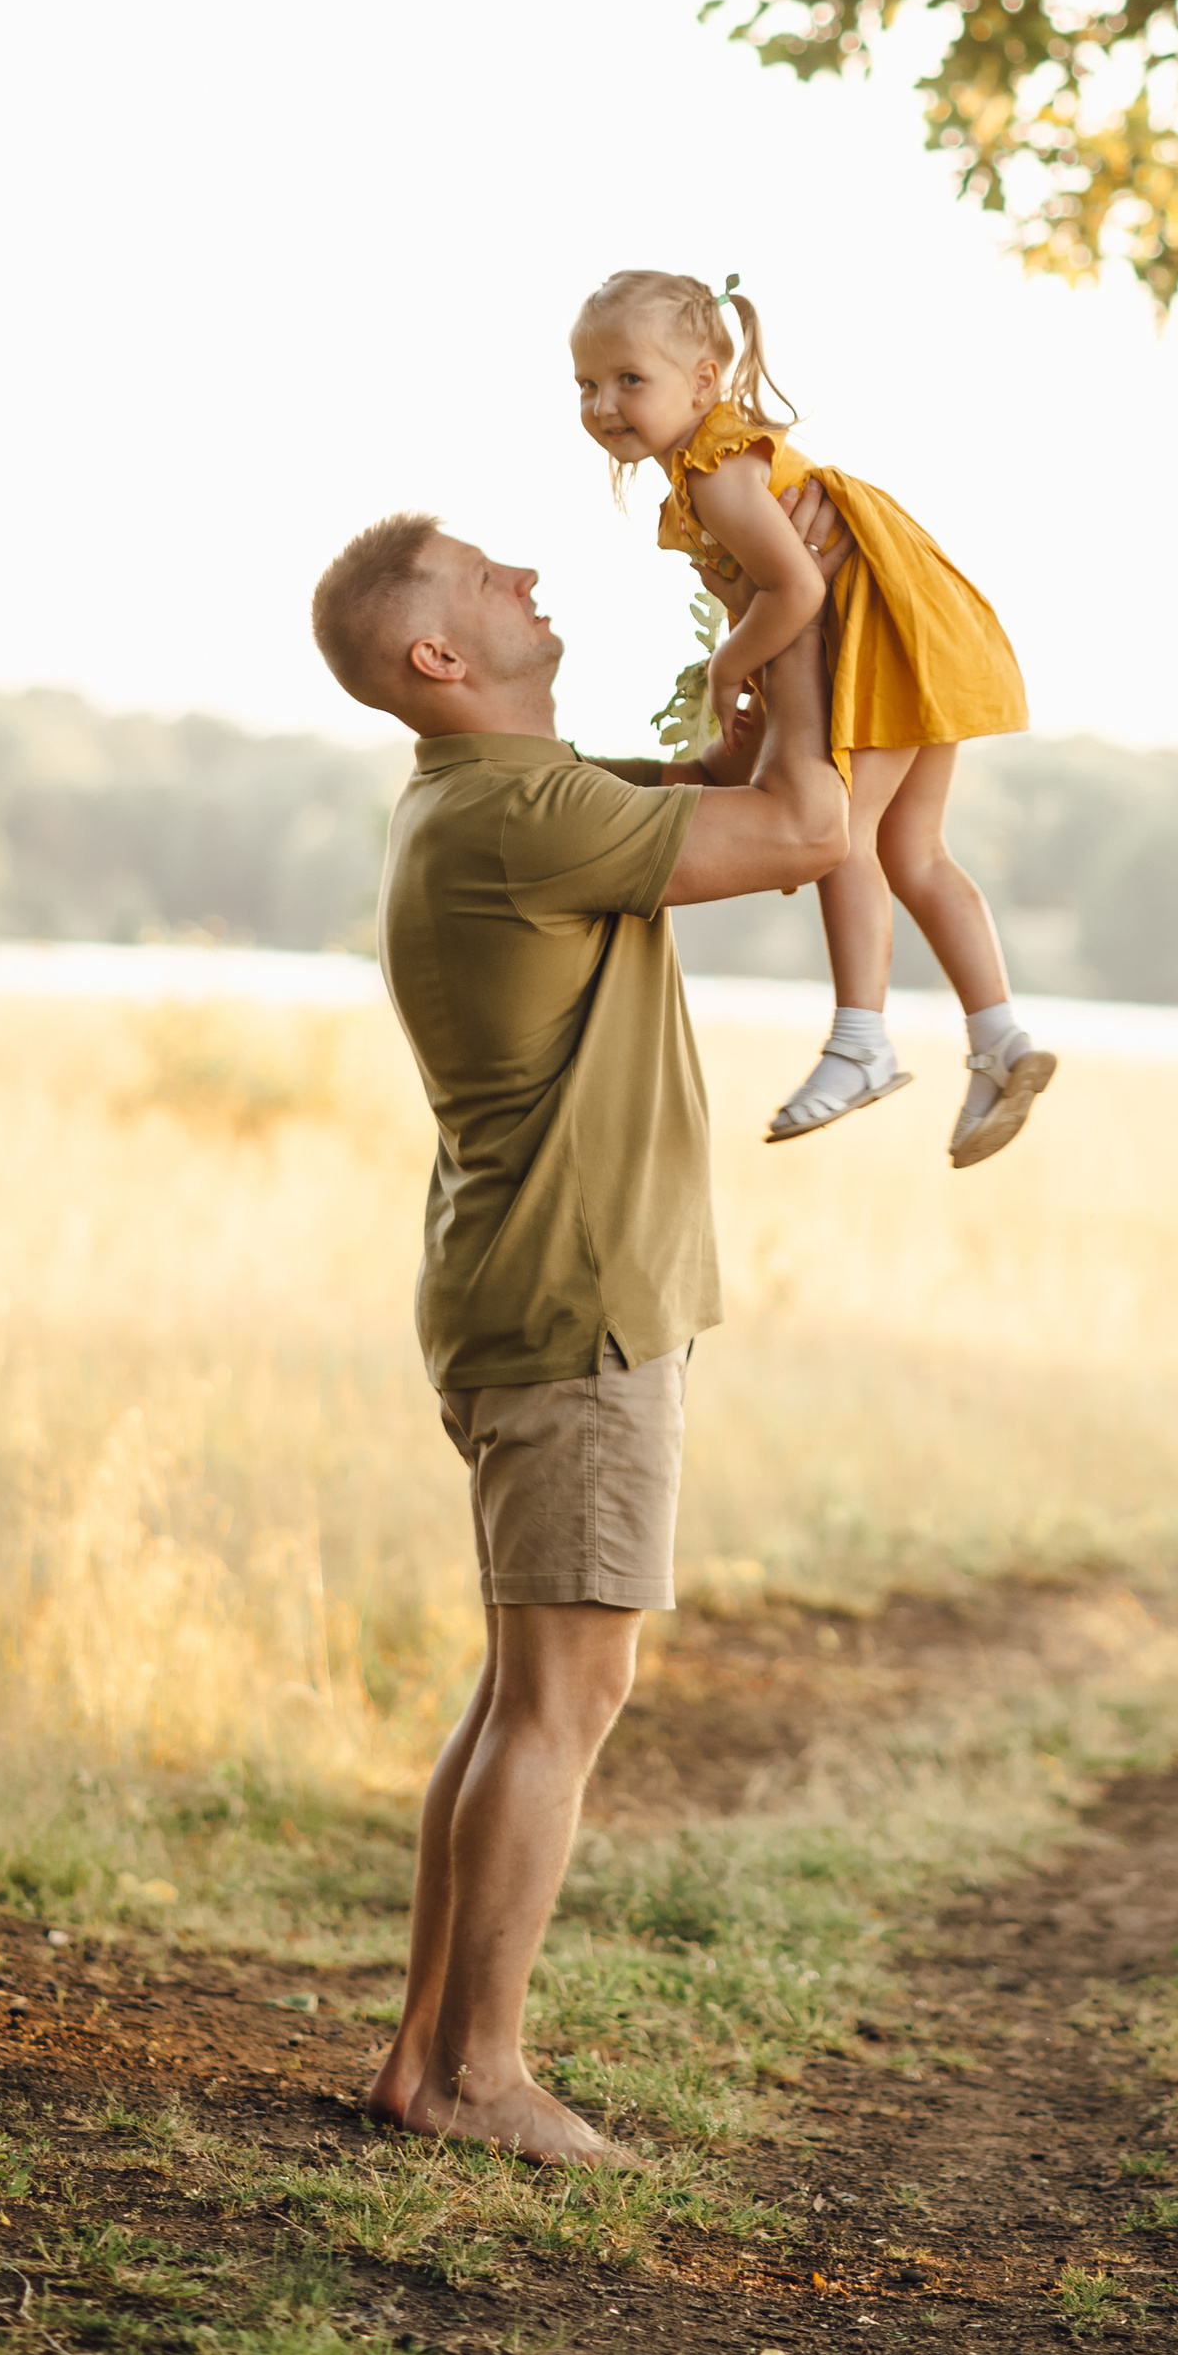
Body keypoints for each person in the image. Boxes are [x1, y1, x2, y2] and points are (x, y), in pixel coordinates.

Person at [307, 499, 849, 2166]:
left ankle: (427, 2056)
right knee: (566, 1690)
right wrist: (808, 595)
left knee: (519, 1688)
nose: (529, 571)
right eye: (488, 575)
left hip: (537, 1291)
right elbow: (813, 824)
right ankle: (483, 2076)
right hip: (572, 1304)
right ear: (441, 655)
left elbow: (734, 764)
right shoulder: (516, 812)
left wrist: (757, 602)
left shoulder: (507, 798)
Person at [568, 264, 1056, 1169]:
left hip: (879, 635)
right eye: (587, 386)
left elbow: (792, 587)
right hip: (917, 629)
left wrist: (728, 664)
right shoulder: (712, 463)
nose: (603, 405)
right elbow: (770, 592)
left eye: (629, 380)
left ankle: (861, 1042)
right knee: (914, 851)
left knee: (844, 836)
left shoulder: (717, 469)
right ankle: (1001, 1039)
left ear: (704, 381)